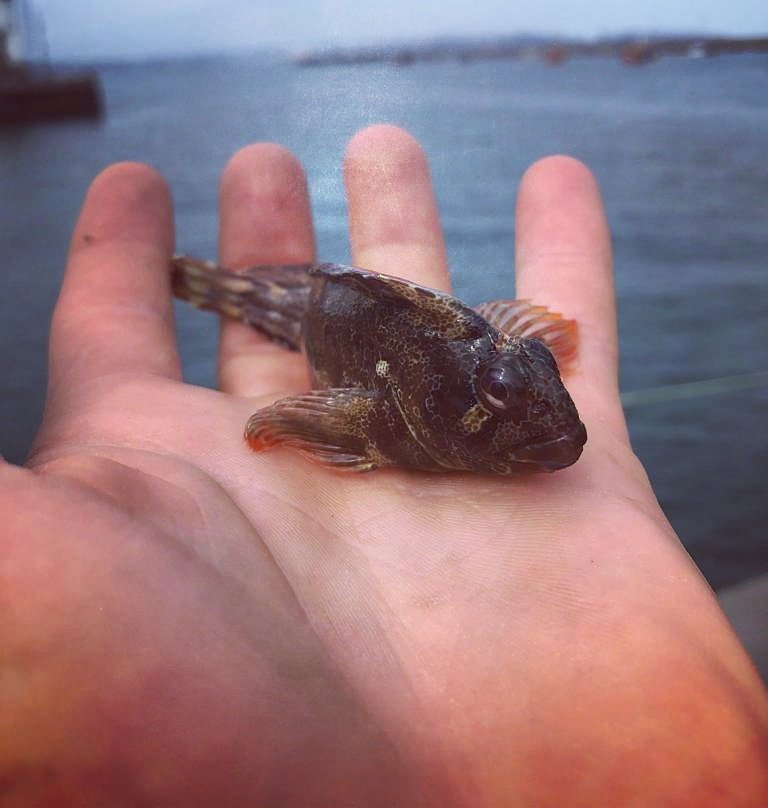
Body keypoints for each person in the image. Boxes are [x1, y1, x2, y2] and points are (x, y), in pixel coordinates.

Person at [1, 124, 765, 806]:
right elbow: (285, 418)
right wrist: (289, 417)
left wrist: (517, 365)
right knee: (277, 302)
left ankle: (211, 285)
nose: (547, 425)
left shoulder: (486, 371)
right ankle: (211, 287)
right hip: (321, 310)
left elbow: (507, 338)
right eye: (498, 398)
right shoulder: (383, 413)